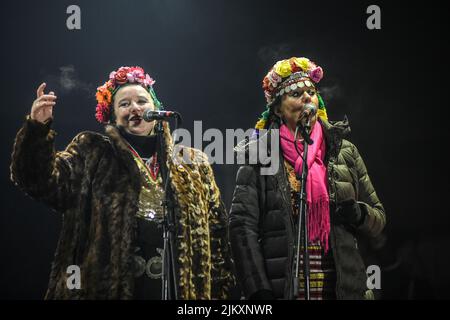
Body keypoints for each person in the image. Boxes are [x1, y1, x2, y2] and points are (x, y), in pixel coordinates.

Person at [10, 66, 235, 300]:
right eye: (124, 104)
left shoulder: (192, 163)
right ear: (113, 117)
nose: (135, 108)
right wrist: (37, 131)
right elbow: (39, 181)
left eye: (141, 101)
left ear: (156, 109)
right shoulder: (92, 152)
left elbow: (217, 234)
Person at [229, 57, 386, 300]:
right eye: (295, 93)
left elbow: (378, 219)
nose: (306, 97)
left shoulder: (344, 151)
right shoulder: (259, 156)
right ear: (278, 108)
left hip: (343, 289)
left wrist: (359, 213)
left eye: (311, 92)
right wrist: (259, 290)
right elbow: (242, 228)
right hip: (284, 289)